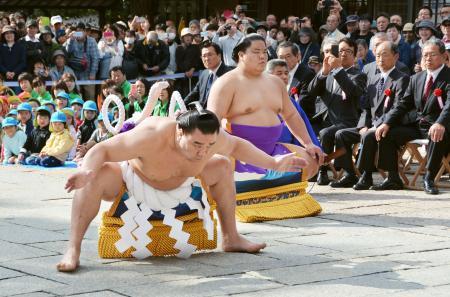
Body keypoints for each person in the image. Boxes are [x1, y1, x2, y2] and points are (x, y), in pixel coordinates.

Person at [56, 106, 307, 272]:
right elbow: (103, 150)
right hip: (134, 182)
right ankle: (73, 247)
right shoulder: (152, 135)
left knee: (220, 164)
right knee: (96, 176)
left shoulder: (211, 139)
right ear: (179, 132)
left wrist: (273, 162)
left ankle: (231, 237)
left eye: (209, 145)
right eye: (197, 144)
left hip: (183, 185)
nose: (202, 151)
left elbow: (238, 147)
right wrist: (85, 170)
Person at [207, 34, 323, 178]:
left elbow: (291, 115)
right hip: (239, 154)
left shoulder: (276, 83)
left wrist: (308, 143)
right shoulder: (226, 83)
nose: (262, 56)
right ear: (241, 55)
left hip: (273, 148)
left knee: (309, 161)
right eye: (256, 52)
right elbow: (211, 123)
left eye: (264, 52)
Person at [376, 40, 450, 195]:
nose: (428, 58)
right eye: (425, 55)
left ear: (444, 56)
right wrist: (387, 122)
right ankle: (393, 178)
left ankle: (429, 178)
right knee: (387, 133)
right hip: (417, 124)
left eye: (433, 55)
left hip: (440, 125)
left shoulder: (448, 76)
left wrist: (440, 123)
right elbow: (403, 104)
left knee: (436, 133)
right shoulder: (416, 78)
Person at [333, 41, 410, 189]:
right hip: (372, 125)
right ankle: (349, 174)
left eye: (385, 55)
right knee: (341, 134)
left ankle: (366, 176)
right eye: (378, 55)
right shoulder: (373, 79)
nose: (380, 59)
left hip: (390, 125)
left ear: (396, 56)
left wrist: (377, 125)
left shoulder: (402, 79)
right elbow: (366, 108)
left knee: (369, 135)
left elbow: (399, 107)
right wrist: (364, 125)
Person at [308, 38, 367, 185]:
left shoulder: (358, 75)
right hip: (327, 120)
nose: (344, 54)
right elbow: (311, 91)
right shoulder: (328, 73)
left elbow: (353, 92)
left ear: (355, 56)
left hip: (348, 121)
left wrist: (339, 70)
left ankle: (324, 171)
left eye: (349, 52)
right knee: (307, 130)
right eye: (341, 51)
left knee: (326, 133)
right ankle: (315, 171)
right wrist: (323, 73)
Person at [266, 58, 320, 148]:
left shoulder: (290, 101)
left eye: (286, 73)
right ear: (267, 76)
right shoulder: (260, 98)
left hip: (293, 148)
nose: (284, 76)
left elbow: (306, 129)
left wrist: (313, 147)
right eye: (279, 73)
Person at [184, 41, 233, 108]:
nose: (206, 59)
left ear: (219, 56)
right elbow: (194, 93)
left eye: (210, 55)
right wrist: (181, 106)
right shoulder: (204, 74)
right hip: (204, 115)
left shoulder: (229, 74)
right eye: (204, 56)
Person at [277, 41, 316, 120]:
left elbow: (302, 105)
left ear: (298, 56)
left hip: (299, 120)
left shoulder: (307, 75)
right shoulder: (275, 74)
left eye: (288, 56)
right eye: (281, 57)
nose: (284, 61)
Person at [66, 22, 99, 101]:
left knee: (90, 96)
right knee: (76, 96)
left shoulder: (91, 41)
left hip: (88, 73)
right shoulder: (72, 40)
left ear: (85, 32)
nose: (79, 34)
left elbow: (95, 58)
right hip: (74, 73)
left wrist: (93, 73)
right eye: (77, 32)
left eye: (81, 31)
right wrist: (70, 40)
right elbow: (68, 52)